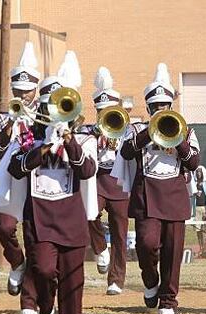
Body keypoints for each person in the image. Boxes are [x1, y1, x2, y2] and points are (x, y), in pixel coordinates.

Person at [7, 50, 98, 314]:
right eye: (49, 104)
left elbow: (87, 170)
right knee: (44, 271)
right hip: (39, 219)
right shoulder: (28, 135)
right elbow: (16, 168)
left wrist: (70, 142)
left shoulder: (84, 136)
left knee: (74, 291)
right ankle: (45, 310)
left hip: (72, 221)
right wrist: (42, 148)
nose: (53, 110)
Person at [119, 63, 200, 314]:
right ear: (149, 107)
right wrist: (149, 133)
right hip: (146, 196)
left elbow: (194, 162)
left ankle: (168, 300)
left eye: (164, 106)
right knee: (146, 243)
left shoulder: (185, 129)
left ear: (170, 107)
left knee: (173, 251)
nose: (160, 110)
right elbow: (126, 152)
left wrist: (178, 141)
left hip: (174, 196)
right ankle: (150, 279)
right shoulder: (136, 130)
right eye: (155, 107)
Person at [0, 41, 40, 314]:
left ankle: (28, 303)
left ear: (36, 89)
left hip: (37, 181)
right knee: (4, 228)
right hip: (11, 179)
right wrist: (11, 122)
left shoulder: (44, 115)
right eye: (17, 92)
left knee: (35, 238)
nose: (22, 95)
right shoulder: (1, 118)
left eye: (26, 91)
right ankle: (17, 262)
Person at [86, 66, 130, 295]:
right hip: (99, 180)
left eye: (109, 109)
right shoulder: (90, 130)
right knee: (89, 213)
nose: (105, 113)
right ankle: (100, 247)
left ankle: (116, 279)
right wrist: (94, 133)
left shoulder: (128, 129)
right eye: (101, 109)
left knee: (121, 232)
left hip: (120, 182)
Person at [191, 165, 206, 258]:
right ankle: (201, 248)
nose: (198, 174)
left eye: (200, 172)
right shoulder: (193, 183)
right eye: (197, 172)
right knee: (198, 229)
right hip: (197, 208)